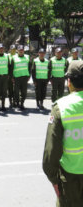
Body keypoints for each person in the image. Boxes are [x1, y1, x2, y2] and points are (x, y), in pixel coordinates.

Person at [43, 60, 83, 207]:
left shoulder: (61, 107)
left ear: (69, 82)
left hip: (69, 178)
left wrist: (55, 182)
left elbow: (50, 153)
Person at [11, 45, 31, 110]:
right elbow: (11, 68)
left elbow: (30, 67)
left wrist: (29, 75)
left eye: (22, 50)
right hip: (17, 77)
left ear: (24, 50)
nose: (21, 51)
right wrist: (12, 77)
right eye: (20, 50)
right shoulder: (14, 58)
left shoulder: (27, 57)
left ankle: (22, 104)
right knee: (16, 92)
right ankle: (17, 104)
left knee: (24, 92)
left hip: (25, 77)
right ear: (17, 51)